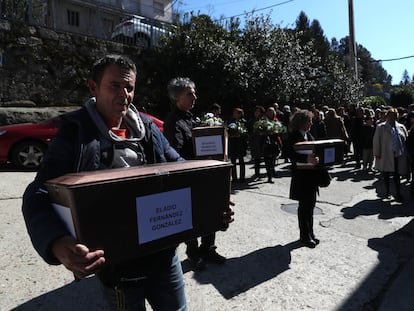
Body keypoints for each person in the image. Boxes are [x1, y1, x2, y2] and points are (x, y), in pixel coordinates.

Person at [21, 55, 233, 311]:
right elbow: (39, 192)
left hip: (164, 258)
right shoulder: (74, 133)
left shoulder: (148, 128)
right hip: (117, 270)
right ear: (92, 87)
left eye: (129, 87)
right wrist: (56, 244)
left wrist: (212, 202)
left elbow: (181, 169)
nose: (124, 94)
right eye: (114, 86)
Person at [164, 77, 227, 270]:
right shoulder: (172, 121)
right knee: (191, 216)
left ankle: (208, 248)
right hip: (188, 177)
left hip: (206, 173)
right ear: (177, 97)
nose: (195, 97)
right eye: (190, 93)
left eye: (194, 93)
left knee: (211, 210)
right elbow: (176, 152)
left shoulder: (193, 118)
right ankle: (193, 252)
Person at [287, 109, 325, 248]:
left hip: (311, 178)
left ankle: (311, 233)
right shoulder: (293, 136)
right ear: (301, 122)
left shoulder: (309, 135)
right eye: (308, 120)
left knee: (311, 207)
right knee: (304, 208)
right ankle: (304, 236)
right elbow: (290, 154)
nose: (311, 123)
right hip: (301, 178)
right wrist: (306, 158)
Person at [373, 108, 409, 202]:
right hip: (386, 154)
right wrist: (377, 153)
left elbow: (405, 140)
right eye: (390, 116)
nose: (392, 118)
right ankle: (387, 192)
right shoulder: (381, 127)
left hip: (398, 155)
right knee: (386, 174)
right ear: (387, 116)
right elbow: (376, 141)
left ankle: (398, 193)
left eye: (394, 116)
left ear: (396, 117)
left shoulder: (401, 127)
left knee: (397, 175)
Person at [227, 107, 248, 182]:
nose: (234, 114)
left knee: (241, 161)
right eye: (233, 112)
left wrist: (241, 135)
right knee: (233, 161)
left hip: (241, 143)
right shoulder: (230, 122)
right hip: (233, 143)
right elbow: (227, 131)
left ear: (240, 114)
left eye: (235, 113)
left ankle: (242, 177)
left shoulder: (244, 122)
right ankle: (234, 177)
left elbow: (246, 133)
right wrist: (231, 135)